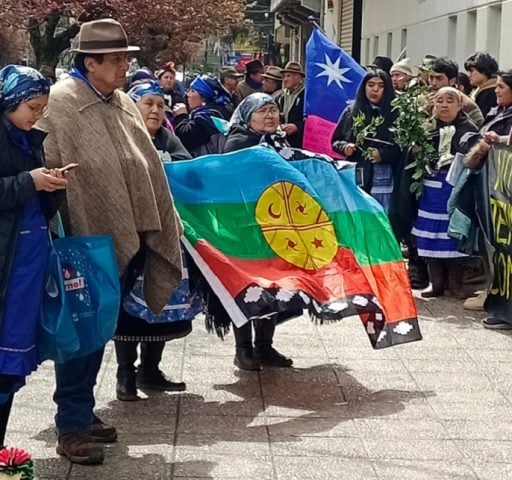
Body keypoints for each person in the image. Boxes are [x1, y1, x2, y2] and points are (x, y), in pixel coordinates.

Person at [38, 18, 183, 465]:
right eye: (116, 59)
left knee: (99, 328)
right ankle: (72, 424)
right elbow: (49, 169)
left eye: (126, 59)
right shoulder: (60, 105)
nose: (124, 67)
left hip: (127, 238)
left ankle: (82, 409)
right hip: (80, 239)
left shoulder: (119, 101)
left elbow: (142, 168)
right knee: (81, 330)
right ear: (89, 62)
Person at [109, 81, 194, 402]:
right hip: (130, 235)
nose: (156, 110)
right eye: (148, 103)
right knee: (129, 308)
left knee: (161, 301)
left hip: (165, 234)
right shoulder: (121, 137)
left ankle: (151, 368)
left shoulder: (170, 140)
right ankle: (125, 374)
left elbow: (188, 172)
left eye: (161, 104)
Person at [0, 65, 67, 447]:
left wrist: (51, 184)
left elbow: (36, 202)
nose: (37, 114)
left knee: (10, 370)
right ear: (10, 100)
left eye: (42, 107)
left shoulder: (30, 139)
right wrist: (31, 181)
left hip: (25, 266)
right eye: (31, 106)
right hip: (6, 268)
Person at [221, 93, 293, 370]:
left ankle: (265, 346)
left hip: (277, 225)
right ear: (248, 115)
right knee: (248, 287)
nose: (270, 116)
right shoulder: (238, 143)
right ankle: (243, 349)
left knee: (274, 285)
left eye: (273, 110)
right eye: (262, 111)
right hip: (246, 226)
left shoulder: (279, 143)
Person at [411, 87, 479, 298]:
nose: (444, 105)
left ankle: (455, 283)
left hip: (456, 187)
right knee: (430, 235)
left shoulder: (469, 129)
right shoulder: (425, 129)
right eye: (439, 100)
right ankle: (435, 282)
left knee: (453, 234)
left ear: (460, 105)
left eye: (450, 101)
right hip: (430, 189)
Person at [460, 69, 512, 319]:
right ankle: (493, 291)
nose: (497, 90)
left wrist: (499, 139)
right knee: (492, 244)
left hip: (505, 194)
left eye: (502, 86)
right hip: (492, 191)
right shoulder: (499, 111)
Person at [331, 69, 400, 211]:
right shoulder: (352, 110)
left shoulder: (396, 113)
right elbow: (336, 141)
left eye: (381, 86)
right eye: (371, 85)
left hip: (385, 176)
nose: (375, 89)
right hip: (358, 171)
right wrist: (346, 147)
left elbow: (403, 148)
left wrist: (383, 154)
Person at [173, 75, 231, 156]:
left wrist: (181, 116)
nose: (187, 94)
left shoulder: (205, 117)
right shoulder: (217, 112)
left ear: (204, 97)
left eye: (192, 91)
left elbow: (184, 139)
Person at [428, 57, 484, 128]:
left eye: (439, 78)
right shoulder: (426, 99)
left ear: (452, 81)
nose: (434, 83)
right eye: (431, 77)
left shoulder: (466, 105)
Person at [275, 61, 306, 148]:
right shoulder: (280, 97)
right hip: (284, 142)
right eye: (284, 76)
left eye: (288, 76)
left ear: (298, 78)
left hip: (301, 143)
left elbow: (312, 119)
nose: (285, 79)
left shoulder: (307, 96)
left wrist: (297, 127)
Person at [464, 51, 499, 118]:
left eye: (472, 71)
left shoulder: (492, 92)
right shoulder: (480, 90)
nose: (469, 75)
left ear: (484, 70)